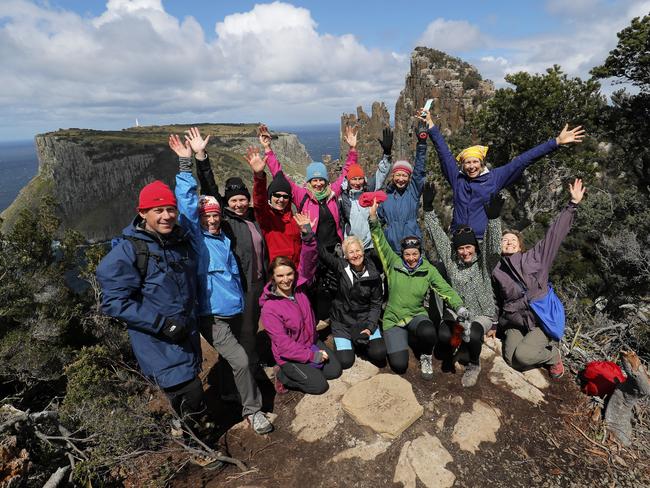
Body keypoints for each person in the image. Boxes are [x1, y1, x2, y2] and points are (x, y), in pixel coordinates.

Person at [169, 134, 272, 435]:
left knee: (237, 357)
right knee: (240, 359)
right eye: (208, 216)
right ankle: (254, 411)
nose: (213, 220)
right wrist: (190, 162)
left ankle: (230, 392)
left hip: (235, 305)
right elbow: (190, 205)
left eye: (215, 216)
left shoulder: (224, 237)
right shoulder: (196, 238)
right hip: (211, 315)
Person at [96, 180, 205, 425]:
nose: (166, 216)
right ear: (143, 213)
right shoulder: (129, 251)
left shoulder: (177, 242)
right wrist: (161, 324)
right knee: (191, 395)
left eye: (171, 209)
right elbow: (114, 301)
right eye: (158, 210)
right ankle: (199, 447)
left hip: (185, 335)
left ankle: (187, 430)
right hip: (159, 343)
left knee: (189, 393)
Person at [422, 107, 585, 239]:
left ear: (481, 163)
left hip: (482, 241)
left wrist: (555, 142)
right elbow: (443, 152)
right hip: (458, 239)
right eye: (467, 163)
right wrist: (430, 124)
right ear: (462, 165)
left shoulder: (494, 178)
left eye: (475, 162)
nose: (471, 166)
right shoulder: (457, 179)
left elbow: (522, 161)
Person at [189, 127, 269, 382]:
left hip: (258, 282)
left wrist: (259, 173)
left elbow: (261, 195)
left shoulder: (254, 217)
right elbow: (210, 187)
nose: (238, 204)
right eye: (233, 200)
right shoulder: (225, 221)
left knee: (252, 327)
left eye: (242, 199)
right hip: (241, 285)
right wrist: (201, 158)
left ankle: (249, 365)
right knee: (242, 334)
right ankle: (241, 375)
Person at [492, 178, 586, 378]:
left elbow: (554, 235)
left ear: (520, 246)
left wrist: (572, 205)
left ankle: (553, 356)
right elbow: (496, 299)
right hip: (514, 322)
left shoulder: (535, 259)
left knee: (524, 357)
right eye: (504, 240)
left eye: (512, 240)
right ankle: (529, 347)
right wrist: (494, 324)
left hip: (540, 319)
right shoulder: (496, 270)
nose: (508, 243)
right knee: (511, 359)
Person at [264, 125, 359, 322]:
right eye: (314, 180)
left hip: (334, 249)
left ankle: (336, 318)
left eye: (321, 179)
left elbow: (346, 174)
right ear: (309, 181)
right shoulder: (301, 195)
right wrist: (268, 150)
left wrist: (352, 150)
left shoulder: (333, 193)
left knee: (336, 283)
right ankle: (314, 319)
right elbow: (279, 175)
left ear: (325, 180)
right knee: (313, 285)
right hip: (312, 250)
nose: (318, 183)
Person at [369, 199, 467, 378]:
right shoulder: (393, 263)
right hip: (394, 317)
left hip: (416, 314)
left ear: (420, 253)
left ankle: (426, 355)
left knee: (429, 332)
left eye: (415, 253)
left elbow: (444, 288)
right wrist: (373, 219)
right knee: (399, 365)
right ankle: (406, 337)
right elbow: (380, 241)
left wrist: (458, 305)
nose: (411, 258)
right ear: (402, 253)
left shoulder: (427, 269)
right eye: (407, 254)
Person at [422, 183, 503, 387]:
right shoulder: (451, 260)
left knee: (474, 333)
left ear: (474, 247)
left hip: (481, 313)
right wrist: (429, 209)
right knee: (444, 337)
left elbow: (493, 249)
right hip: (456, 312)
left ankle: (473, 364)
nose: (465, 252)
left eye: (468, 247)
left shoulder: (484, 262)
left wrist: (493, 220)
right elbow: (439, 238)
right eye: (460, 248)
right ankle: (460, 344)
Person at [260, 213, 342, 394]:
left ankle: (308, 368)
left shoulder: (299, 288)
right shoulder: (270, 308)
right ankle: (282, 375)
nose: (286, 279)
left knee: (335, 371)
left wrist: (307, 232)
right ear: (273, 278)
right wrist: (312, 356)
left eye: (289, 274)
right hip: (288, 356)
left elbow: (308, 259)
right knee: (319, 386)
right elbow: (283, 344)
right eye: (280, 276)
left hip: (309, 342)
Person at [318, 235, 386, 369]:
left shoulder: (373, 274)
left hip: (364, 320)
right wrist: (308, 232)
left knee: (379, 354)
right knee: (345, 362)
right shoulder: (341, 267)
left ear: (363, 251)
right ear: (345, 256)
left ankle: (358, 341)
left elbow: (376, 304)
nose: (355, 255)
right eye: (351, 252)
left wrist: (370, 327)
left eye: (358, 251)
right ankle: (354, 342)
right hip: (342, 322)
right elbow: (323, 254)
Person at [246, 126, 302, 268]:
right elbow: (259, 202)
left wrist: (268, 149)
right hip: (278, 276)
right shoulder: (267, 217)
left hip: (298, 275)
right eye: (276, 195)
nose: (281, 199)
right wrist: (259, 176)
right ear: (270, 197)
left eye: (285, 196)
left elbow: (279, 173)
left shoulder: (294, 219)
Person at [339, 127, 392, 266]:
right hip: (353, 248)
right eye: (354, 179)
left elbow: (381, 173)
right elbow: (340, 221)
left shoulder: (369, 189)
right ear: (348, 181)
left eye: (360, 179)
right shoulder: (343, 196)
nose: (357, 182)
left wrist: (387, 154)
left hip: (372, 245)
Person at [377, 124, 427, 253]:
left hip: (412, 249)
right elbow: (378, 221)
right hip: (392, 249)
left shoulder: (413, 193)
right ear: (393, 176)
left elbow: (419, 171)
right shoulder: (384, 197)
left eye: (404, 175)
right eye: (398, 175)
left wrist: (421, 144)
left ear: (409, 177)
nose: (401, 179)